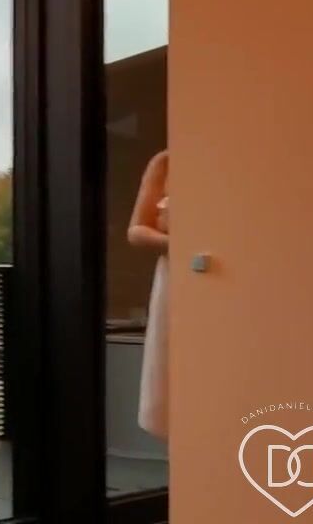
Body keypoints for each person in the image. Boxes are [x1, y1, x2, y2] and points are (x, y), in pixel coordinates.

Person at [128, 150, 169, 438]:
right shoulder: (165, 162)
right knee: (170, 374)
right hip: (176, 277)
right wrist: (178, 243)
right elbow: (136, 230)